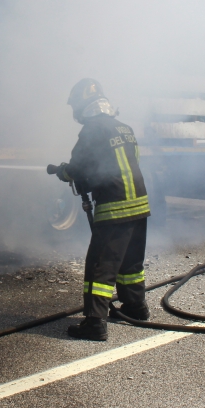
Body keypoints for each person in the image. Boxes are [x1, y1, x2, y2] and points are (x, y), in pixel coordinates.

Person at [49, 79, 151, 341]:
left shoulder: (92, 130)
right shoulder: (125, 128)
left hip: (114, 207)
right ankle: (136, 308)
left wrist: (64, 172)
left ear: (83, 106)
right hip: (139, 205)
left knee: (100, 267)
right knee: (130, 263)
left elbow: (79, 167)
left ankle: (95, 322)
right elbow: (129, 163)